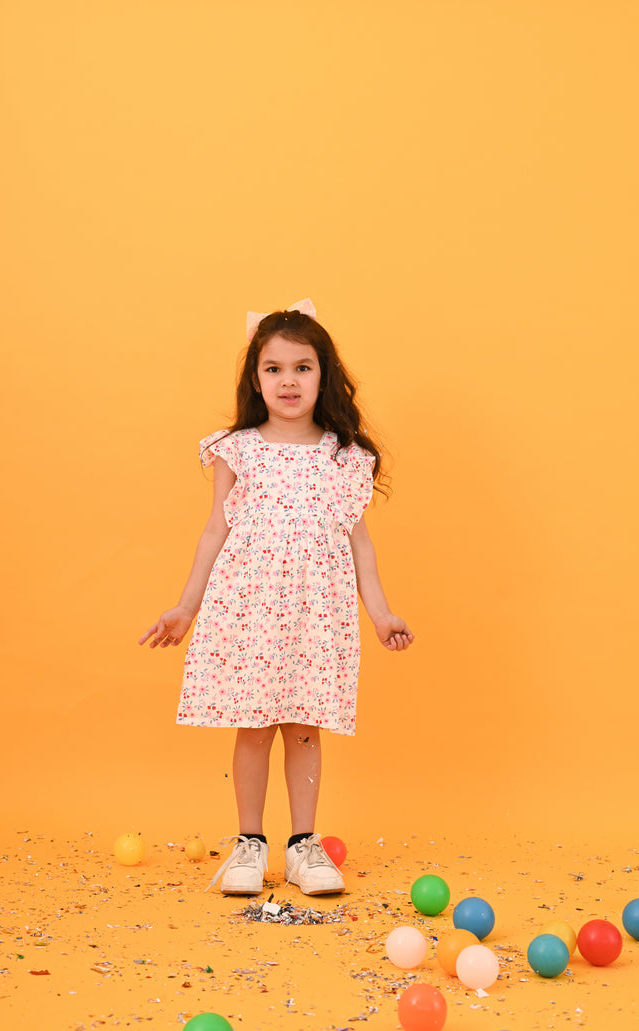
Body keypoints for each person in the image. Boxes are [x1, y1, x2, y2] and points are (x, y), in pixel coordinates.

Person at [139, 299, 413, 897]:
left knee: (305, 727)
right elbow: (215, 528)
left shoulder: (344, 457)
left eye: (303, 367)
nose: (288, 381)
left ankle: (304, 847)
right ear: (255, 378)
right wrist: (186, 605)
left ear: (325, 374)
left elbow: (359, 544)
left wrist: (381, 613)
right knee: (255, 727)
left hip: (318, 611)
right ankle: (249, 844)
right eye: (274, 368)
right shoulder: (237, 450)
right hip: (250, 607)